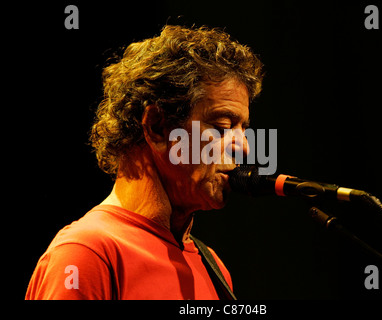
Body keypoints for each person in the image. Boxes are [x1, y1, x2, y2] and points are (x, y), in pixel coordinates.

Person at [25, 25, 264, 300]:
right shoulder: (86, 253)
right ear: (157, 126)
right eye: (222, 126)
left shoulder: (214, 268)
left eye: (242, 128)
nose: (244, 147)